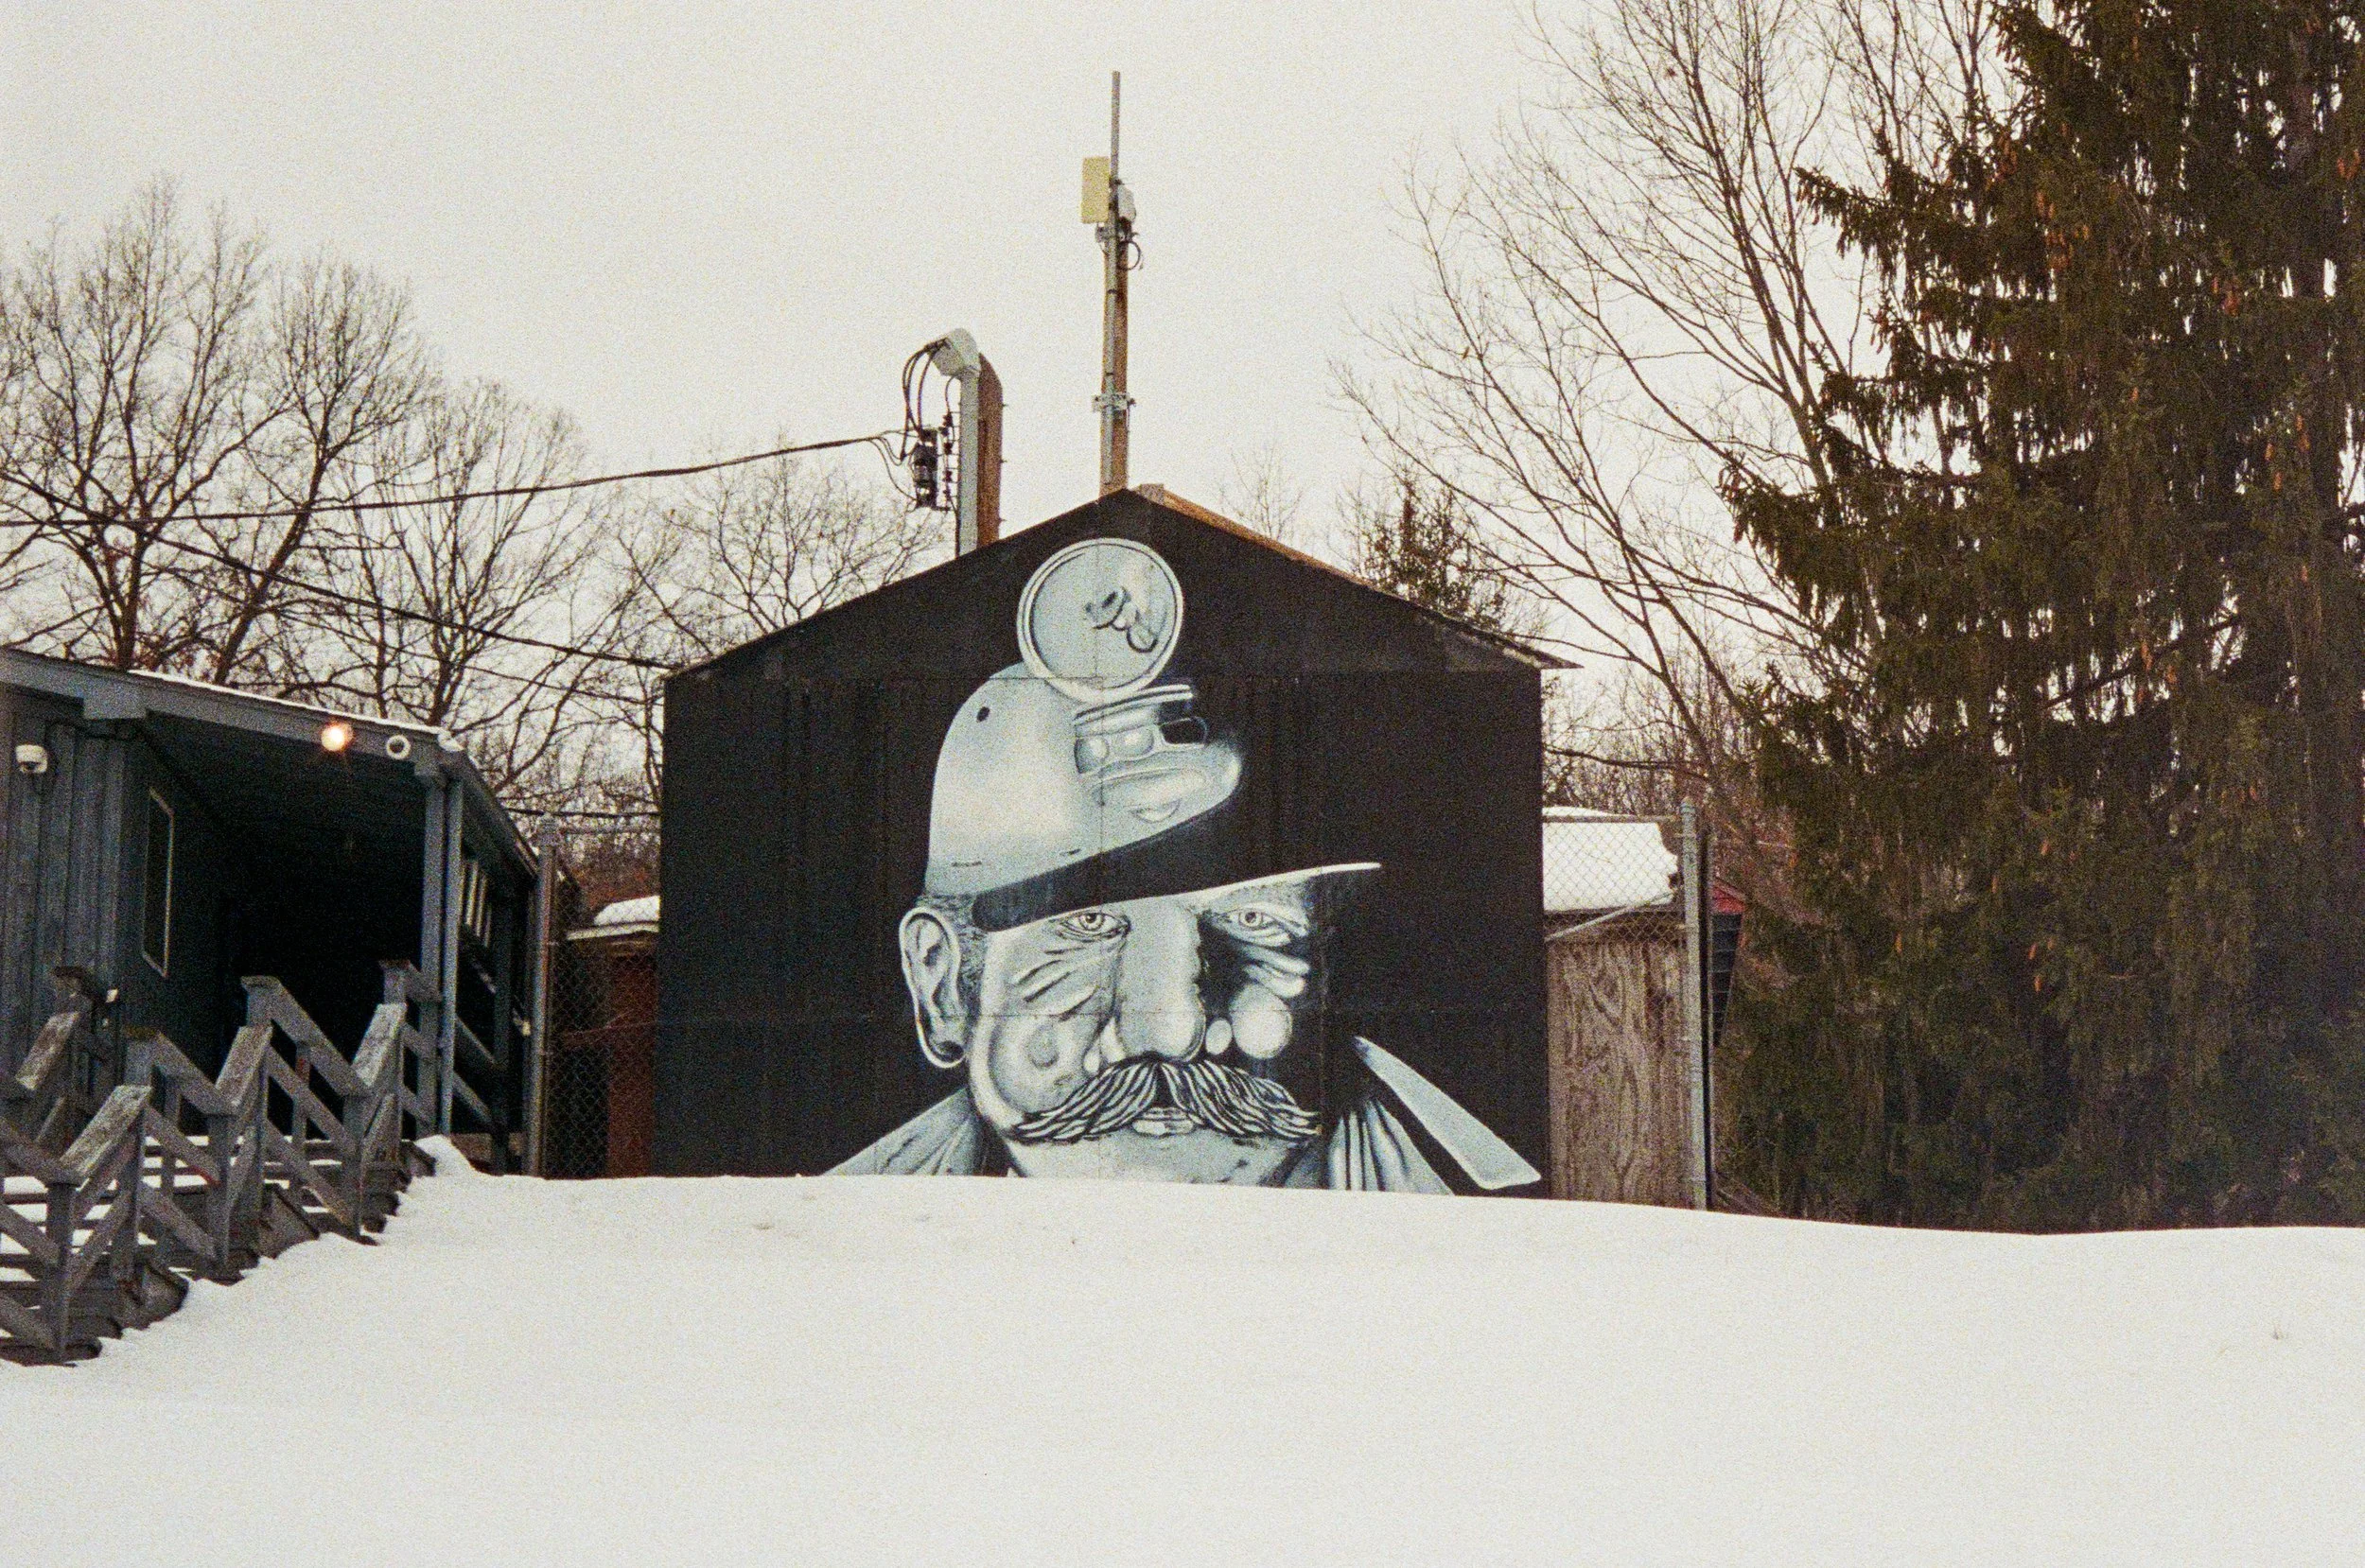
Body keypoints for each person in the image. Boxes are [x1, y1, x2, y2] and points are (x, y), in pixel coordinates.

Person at [832, 538, 1537, 1193]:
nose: (1170, 1031)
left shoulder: (1466, 1235)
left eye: (1254, 920)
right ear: (941, 984)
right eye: (1088, 923)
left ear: (1328, 970)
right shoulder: (849, 1231)